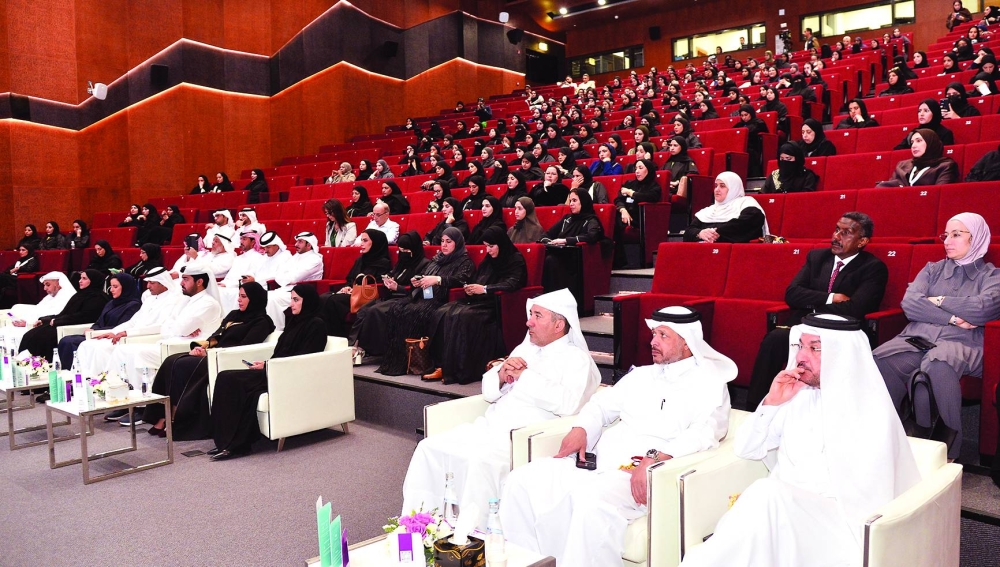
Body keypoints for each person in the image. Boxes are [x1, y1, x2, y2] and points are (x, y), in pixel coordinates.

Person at [502, 307, 737, 566]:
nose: (653, 341)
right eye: (653, 334)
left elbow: (705, 432)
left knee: (589, 500)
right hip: (598, 463)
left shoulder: (710, 383)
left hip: (640, 475)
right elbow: (600, 406)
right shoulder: (642, 375)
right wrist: (582, 429)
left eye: (663, 335)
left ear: (687, 343)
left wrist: (654, 459)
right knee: (522, 480)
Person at [681, 314, 921, 567]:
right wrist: (771, 403)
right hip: (779, 514)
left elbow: (868, 501)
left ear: (843, 355)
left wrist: (782, 502)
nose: (801, 357)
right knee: (763, 503)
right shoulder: (794, 396)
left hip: (834, 526)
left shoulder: (870, 409)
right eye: (800, 346)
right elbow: (746, 448)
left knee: (765, 495)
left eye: (815, 348)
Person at [400, 288, 600, 530]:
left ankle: (471, 539)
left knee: (478, 463)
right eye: (531, 314)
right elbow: (488, 391)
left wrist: (525, 376)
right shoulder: (525, 348)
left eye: (537, 316)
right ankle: (421, 527)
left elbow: (569, 404)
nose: (529, 322)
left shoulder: (576, 360)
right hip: (490, 426)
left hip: (523, 437)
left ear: (559, 325)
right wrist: (502, 376)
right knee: (428, 447)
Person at [874, 213, 1000, 460]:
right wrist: (953, 317)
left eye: (956, 234)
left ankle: (944, 453)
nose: (947, 241)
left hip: (963, 344)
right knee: (880, 359)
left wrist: (939, 300)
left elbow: (983, 308)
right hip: (919, 338)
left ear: (976, 239)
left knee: (938, 362)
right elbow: (910, 304)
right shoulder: (932, 269)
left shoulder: (992, 276)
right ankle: (886, 444)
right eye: (946, 235)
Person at [746, 212, 888, 409]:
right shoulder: (817, 257)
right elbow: (792, 294)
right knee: (774, 339)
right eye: (837, 229)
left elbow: (855, 308)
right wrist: (832, 297)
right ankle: (757, 407)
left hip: (840, 330)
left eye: (846, 233)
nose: (836, 236)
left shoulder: (873, 268)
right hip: (804, 324)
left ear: (862, 241)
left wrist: (812, 302)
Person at [208, 284, 328, 460]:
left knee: (237, 383)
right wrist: (265, 364)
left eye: (296, 300)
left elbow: (303, 359)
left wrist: (272, 367)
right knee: (225, 377)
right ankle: (224, 442)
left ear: (307, 301)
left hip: (288, 375)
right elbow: (282, 352)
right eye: (291, 299)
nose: (291, 304)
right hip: (275, 370)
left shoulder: (316, 325)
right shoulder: (294, 322)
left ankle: (238, 445)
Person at [143, 280, 275, 440]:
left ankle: (176, 419)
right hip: (212, 354)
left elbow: (244, 347)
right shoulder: (234, 315)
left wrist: (211, 354)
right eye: (238, 296)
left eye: (244, 296)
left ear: (254, 299)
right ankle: (161, 415)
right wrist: (202, 347)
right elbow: (217, 335)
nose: (239, 300)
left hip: (225, 359)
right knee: (171, 360)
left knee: (182, 366)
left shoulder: (262, 322)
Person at [105, 262, 223, 425]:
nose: (181, 283)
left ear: (199, 282)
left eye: (186, 279)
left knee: (138, 354)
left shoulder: (208, 303)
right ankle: (128, 400)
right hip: (172, 341)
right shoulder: (186, 300)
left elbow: (178, 327)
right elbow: (168, 327)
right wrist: (178, 328)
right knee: (123, 351)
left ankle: (145, 405)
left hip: (189, 348)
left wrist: (179, 328)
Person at [422, 226, 528, 384]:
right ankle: (442, 365)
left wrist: (484, 289)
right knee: (443, 312)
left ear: (501, 244)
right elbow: (478, 278)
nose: (488, 250)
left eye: (491, 246)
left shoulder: (515, 259)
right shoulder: (489, 259)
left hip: (496, 304)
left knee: (461, 316)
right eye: (486, 246)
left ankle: (458, 369)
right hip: (478, 301)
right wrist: (471, 288)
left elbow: (513, 284)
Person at [368, 228, 475, 376]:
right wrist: (416, 281)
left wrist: (438, 280)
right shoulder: (437, 259)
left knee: (415, 312)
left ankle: (415, 359)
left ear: (457, 243)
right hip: (422, 296)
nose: (444, 245)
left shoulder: (464, 261)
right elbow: (424, 276)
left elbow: (461, 279)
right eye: (442, 241)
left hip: (440, 300)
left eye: (448, 242)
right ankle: (400, 359)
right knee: (397, 308)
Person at [73, 267, 187, 382]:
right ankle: (86, 381)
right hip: (132, 335)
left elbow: (161, 327)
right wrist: (113, 332)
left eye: (152, 283)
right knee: (88, 344)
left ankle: (106, 383)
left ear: (163, 283)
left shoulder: (175, 300)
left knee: (102, 349)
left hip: (145, 338)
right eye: (148, 283)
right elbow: (133, 321)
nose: (148, 286)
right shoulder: (150, 300)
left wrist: (127, 333)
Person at [348, 231, 430, 359]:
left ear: (413, 249)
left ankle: (365, 348)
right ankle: (353, 344)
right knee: (364, 310)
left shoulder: (424, 264)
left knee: (374, 311)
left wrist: (398, 287)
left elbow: (420, 290)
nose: (402, 253)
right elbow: (395, 275)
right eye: (400, 250)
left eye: (406, 250)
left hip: (408, 298)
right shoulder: (401, 262)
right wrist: (388, 280)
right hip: (392, 296)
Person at [54, 273, 142, 371]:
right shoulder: (112, 302)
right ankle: (68, 373)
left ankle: (76, 374)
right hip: (98, 333)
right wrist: (92, 329)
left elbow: (122, 326)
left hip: (109, 336)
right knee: (66, 340)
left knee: (70, 342)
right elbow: (99, 321)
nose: (111, 290)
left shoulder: (133, 305)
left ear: (126, 287)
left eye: (115, 287)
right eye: (111, 286)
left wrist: (96, 332)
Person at [17, 269, 109, 360]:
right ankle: (26, 362)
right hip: (64, 323)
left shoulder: (98, 298)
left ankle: (40, 365)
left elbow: (83, 317)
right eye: (80, 278)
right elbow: (65, 313)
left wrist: (57, 321)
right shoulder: (79, 295)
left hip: (73, 327)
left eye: (84, 278)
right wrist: (44, 320)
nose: (80, 281)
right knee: (32, 334)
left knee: (43, 337)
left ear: (93, 280)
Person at [319, 229, 392, 337]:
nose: (361, 244)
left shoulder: (384, 263)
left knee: (334, 301)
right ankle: (325, 336)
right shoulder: (360, 260)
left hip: (366, 297)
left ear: (375, 242)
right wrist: (347, 287)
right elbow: (350, 279)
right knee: (323, 297)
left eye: (365, 240)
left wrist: (354, 289)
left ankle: (338, 336)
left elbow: (377, 284)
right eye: (361, 240)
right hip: (352, 294)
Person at [541, 189, 606, 296]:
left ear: (583, 202)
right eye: (570, 201)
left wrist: (566, 241)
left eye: (574, 200)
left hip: (575, 260)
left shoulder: (591, 220)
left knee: (551, 260)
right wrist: (551, 242)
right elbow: (545, 235)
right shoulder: (567, 219)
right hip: (559, 253)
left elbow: (592, 236)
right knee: (547, 258)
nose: (571, 204)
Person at [1, 272, 76, 353]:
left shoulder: (66, 297)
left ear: (58, 283)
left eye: (48, 285)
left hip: (43, 328)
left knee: (9, 335)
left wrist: (27, 324)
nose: (44, 288)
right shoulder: (50, 296)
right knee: (4, 330)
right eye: (44, 285)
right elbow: (37, 310)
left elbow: (52, 316)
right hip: (32, 324)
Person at [263, 232, 324, 330]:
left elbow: (294, 278)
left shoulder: (315, 259)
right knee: (264, 296)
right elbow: (278, 274)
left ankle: (277, 330)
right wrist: (286, 278)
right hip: (287, 290)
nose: (296, 245)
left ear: (309, 245)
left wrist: (286, 278)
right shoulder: (296, 256)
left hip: (303, 294)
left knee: (272, 299)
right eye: (297, 242)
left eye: (300, 242)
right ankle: (265, 328)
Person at [684, 172, 767, 243]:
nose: (717, 189)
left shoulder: (746, 202)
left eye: (722, 186)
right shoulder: (707, 211)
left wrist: (717, 232)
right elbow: (688, 232)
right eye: (716, 186)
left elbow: (746, 224)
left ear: (733, 188)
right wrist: (700, 233)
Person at [613, 159, 661, 268]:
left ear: (648, 170)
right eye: (635, 169)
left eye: (640, 168)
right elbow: (618, 199)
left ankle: (619, 262)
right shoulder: (629, 183)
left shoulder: (654, 187)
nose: (637, 171)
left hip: (640, 219)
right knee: (611, 221)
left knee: (614, 224)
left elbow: (649, 197)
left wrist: (631, 193)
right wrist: (623, 210)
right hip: (623, 216)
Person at [878, 129, 960, 187]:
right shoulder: (902, 165)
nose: (913, 146)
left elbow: (940, 193)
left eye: (919, 141)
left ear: (930, 143)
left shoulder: (946, 166)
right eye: (912, 142)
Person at [734, 105, 769, 177]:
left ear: (751, 113)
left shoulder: (759, 122)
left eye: (746, 115)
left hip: (754, 147)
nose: (744, 117)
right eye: (742, 115)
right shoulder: (739, 124)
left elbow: (754, 132)